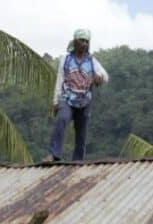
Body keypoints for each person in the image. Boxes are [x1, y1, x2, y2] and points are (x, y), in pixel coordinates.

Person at [45, 29, 108, 162]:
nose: (84, 44)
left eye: (86, 41)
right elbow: (60, 80)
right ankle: (53, 154)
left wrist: (99, 77)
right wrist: (56, 101)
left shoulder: (92, 62)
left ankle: (78, 160)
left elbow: (105, 76)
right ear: (75, 41)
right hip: (67, 98)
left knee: (81, 132)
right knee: (62, 118)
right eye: (82, 40)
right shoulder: (65, 59)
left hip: (84, 100)